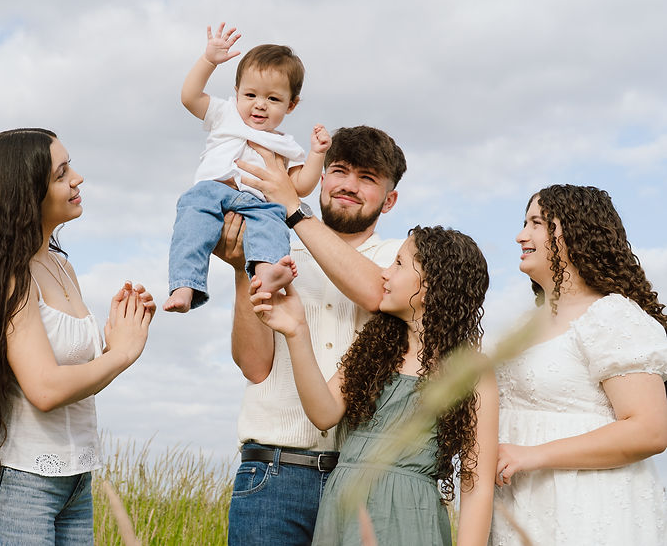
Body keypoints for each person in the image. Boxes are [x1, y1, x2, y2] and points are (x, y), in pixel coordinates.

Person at [0, 128, 156, 544]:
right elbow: (44, 389)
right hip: (17, 485)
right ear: (26, 195)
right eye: (61, 174)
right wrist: (120, 354)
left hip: (74, 481)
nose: (77, 179)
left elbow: (71, 375)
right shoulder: (12, 276)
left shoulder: (62, 268)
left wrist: (120, 332)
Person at [214, 125, 407, 545]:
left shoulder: (399, 261)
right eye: (339, 171)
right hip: (272, 474)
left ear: (389, 200)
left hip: (361, 479)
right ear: (321, 178)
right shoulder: (274, 250)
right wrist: (243, 269)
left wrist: (293, 207)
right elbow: (254, 366)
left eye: (367, 178)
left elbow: (376, 294)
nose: (349, 186)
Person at [251, 226, 498, 545]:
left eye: (399, 263)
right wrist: (296, 330)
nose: (384, 273)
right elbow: (323, 413)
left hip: (411, 518)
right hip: (344, 511)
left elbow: (476, 483)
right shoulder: (375, 346)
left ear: (431, 285)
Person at [491, 184, 667, 544]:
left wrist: (532, 455)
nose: (521, 236)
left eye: (537, 223)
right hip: (520, 505)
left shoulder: (610, 316)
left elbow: (650, 430)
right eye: (524, 223)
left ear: (576, 233)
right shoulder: (523, 326)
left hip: (587, 507)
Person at [163, 22, 331, 313]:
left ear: (291, 105)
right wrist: (208, 61)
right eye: (251, 95)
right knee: (191, 220)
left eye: (273, 99)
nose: (260, 105)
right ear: (237, 92)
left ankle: (267, 274)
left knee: (273, 224)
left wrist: (317, 154)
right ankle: (185, 285)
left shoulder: (286, 145)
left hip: (258, 203)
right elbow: (189, 97)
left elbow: (301, 186)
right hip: (212, 190)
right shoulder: (224, 113)